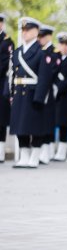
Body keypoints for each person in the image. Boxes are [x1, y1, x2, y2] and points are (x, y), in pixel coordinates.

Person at [8, 17, 55, 169]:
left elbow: (44, 78)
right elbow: (12, 75)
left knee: (34, 127)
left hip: (33, 94)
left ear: (36, 32)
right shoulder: (17, 53)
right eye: (23, 30)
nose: (24, 33)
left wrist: (39, 98)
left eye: (28, 30)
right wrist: (10, 94)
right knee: (20, 127)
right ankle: (24, 156)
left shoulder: (41, 53)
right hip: (19, 93)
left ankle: (35, 156)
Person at [52, 32, 67, 161]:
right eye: (62, 43)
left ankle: (62, 151)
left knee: (64, 124)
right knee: (51, 123)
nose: (64, 47)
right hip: (53, 96)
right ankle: (50, 150)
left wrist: (58, 87)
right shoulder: (53, 57)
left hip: (65, 96)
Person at [37, 24, 59, 165]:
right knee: (39, 120)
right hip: (38, 88)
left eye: (43, 36)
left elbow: (52, 71)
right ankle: (40, 150)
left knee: (48, 120)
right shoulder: (38, 50)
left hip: (49, 90)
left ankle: (47, 151)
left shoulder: (54, 52)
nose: (40, 39)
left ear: (49, 36)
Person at [0, 13, 14, 163]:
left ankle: (0, 151)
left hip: (1, 83)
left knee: (1, 121)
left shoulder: (7, 42)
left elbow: (4, 64)